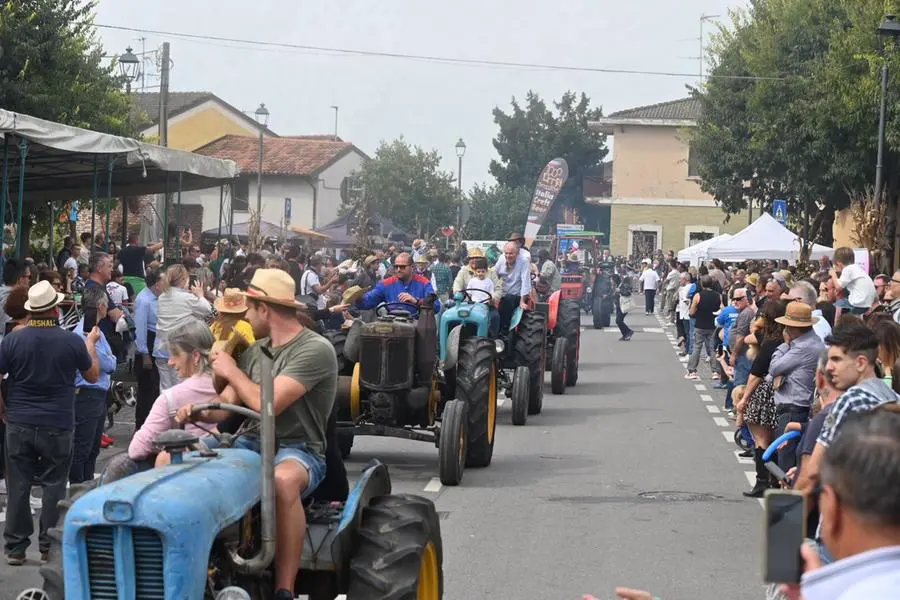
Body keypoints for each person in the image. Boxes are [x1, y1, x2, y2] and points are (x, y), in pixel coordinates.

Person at [175, 269, 337, 600]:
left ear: (264, 308)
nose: (246, 317)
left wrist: (231, 370)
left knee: (281, 481)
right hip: (250, 441)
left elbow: (269, 404)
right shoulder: (255, 351)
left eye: (249, 309)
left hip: (299, 448)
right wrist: (198, 409)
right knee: (172, 458)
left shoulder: (315, 349)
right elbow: (227, 408)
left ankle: (284, 588)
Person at [0, 280, 101, 565]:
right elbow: (92, 376)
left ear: (32, 310)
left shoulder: (14, 340)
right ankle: (48, 546)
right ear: (55, 309)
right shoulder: (70, 340)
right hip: (58, 421)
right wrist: (90, 345)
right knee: (54, 485)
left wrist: (3, 409)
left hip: (20, 420)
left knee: (18, 484)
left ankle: (16, 548)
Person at [129, 320, 220, 464]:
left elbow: (136, 449)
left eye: (175, 354)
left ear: (195, 356)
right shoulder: (231, 387)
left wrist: (166, 447)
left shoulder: (170, 398)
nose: (170, 362)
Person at [769, 302, 826, 473]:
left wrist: (784, 345)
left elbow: (774, 368)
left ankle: (787, 494)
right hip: (795, 406)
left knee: (785, 461)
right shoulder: (811, 342)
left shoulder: (802, 346)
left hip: (792, 407)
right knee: (787, 456)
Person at [69, 285, 118, 484]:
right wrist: (108, 358)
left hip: (97, 393)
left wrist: (108, 358)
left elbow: (110, 361)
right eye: (106, 304)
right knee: (83, 445)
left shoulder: (97, 332)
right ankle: (77, 487)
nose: (108, 308)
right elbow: (107, 363)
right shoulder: (84, 333)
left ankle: (87, 484)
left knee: (93, 447)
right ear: (99, 306)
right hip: (87, 393)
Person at [155, 264, 213, 391]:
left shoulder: (162, 297)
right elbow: (207, 310)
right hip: (180, 348)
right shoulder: (187, 297)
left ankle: (165, 410)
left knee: (165, 387)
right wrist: (200, 295)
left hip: (161, 348)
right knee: (180, 387)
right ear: (182, 280)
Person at [357, 252, 440, 318]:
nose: (398, 270)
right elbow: (367, 302)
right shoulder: (386, 284)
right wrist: (357, 298)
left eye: (402, 267)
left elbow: (436, 306)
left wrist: (417, 301)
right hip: (392, 328)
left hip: (417, 327)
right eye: (396, 267)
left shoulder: (424, 283)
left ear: (412, 267)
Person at [133, 269, 162, 430]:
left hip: (156, 343)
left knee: (154, 390)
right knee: (147, 392)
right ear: (156, 284)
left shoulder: (157, 298)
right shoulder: (144, 300)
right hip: (147, 345)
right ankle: (142, 428)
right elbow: (140, 328)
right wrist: (144, 353)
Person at [685, 275, 721, 381]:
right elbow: (722, 308)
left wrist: (693, 309)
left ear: (701, 284)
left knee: (697, 347)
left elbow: (692, 311)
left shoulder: (698, 295)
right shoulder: (717, 295)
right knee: (713, 348)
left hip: (700, 324)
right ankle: (715, 371)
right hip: (713, 325)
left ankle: (692, 371)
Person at [494, 241, 532, 333]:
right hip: (501, 293)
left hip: (516, 295)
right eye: (506, 253)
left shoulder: (523, 261)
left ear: (517, 253)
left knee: (508, 299)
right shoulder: (502, 259)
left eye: (511, 253)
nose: (508, 256)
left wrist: (522, 301)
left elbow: (525, 281)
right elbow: (494, 273)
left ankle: (503, 330)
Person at [830, 247, 876, 315]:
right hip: (867, 303)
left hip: (858, 304)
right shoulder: (857, 268)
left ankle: (836, 324)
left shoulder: (847, 269)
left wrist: (833, 274)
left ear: (839, 264)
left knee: (836, 305)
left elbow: (838, 287)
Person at [118, 231, 163, 296]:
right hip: (138, 281)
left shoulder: (122, 251)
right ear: (136, 240)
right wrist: (162, 243)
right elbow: (151, 249)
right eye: (138, 240)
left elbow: (117, 263)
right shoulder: (138, 250)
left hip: (125, 280)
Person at [612, 273, 633, 341]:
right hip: (619, 305)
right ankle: (625, 334)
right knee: (619, 321)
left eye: (612, 280)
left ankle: (629, 331)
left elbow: (628, 292)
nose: (611, 281)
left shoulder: (623, 284)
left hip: (624, 305)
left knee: (618, 320)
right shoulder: (615, 286)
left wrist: (620, 291)